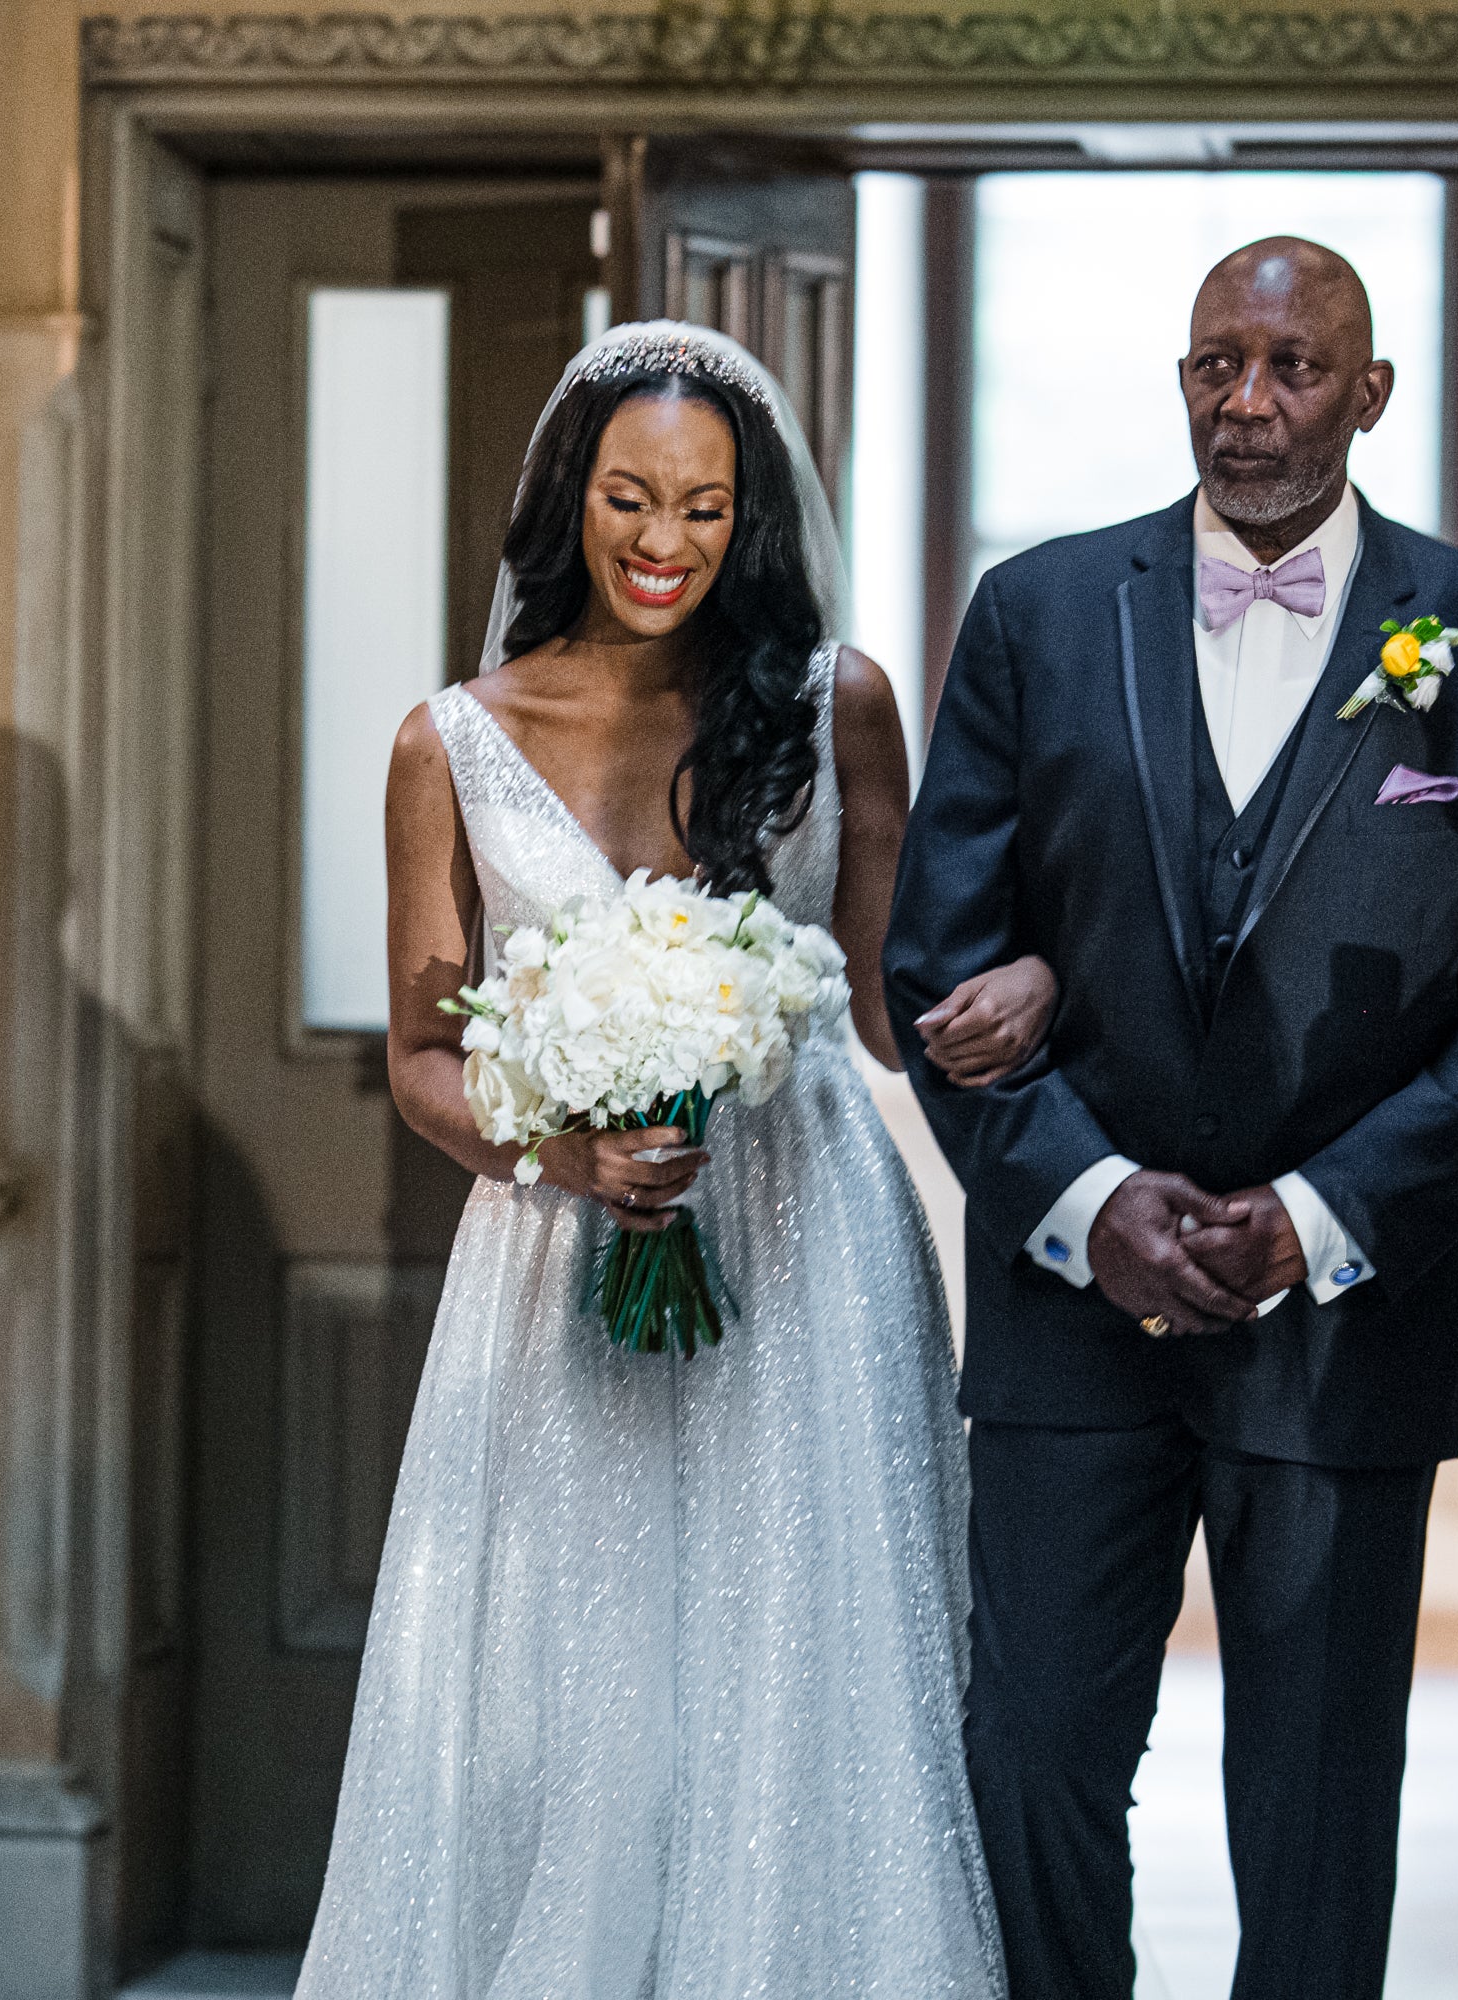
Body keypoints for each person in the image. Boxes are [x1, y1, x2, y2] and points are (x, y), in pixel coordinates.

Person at [884, 237, 1458, 2000]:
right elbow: (938, 964)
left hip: (1346, 1323)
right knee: (1032, 1760)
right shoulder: (1042, 614)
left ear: (1369, 393)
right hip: (1074, 1316)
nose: (1249, 402)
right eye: (1219, 363)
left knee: (1315, 1807)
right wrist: (1089, 1196)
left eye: (1294, 368)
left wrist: (1318, 1218)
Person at [293, 321, 1014, 1996]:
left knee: (805, 1673)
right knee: (565, 1693)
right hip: (556, 1252)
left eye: (703, 507)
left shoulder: (837, 705)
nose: (664, 543)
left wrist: (1034, 982)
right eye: (630, 499)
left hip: (808, 1238)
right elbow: (422, 1057)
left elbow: (897, 1006)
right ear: (573, 498)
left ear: (751, 517)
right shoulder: (449, 741)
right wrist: (562, 1157)